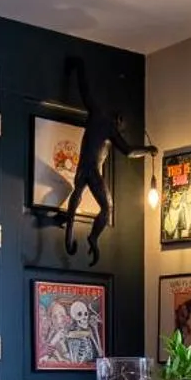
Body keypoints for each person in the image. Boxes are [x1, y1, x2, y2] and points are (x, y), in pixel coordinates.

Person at [59, 57, 140, 266]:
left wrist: (79, 66)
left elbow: (85, 90)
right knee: (107, 207)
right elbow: (129, 151)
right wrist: (149, 150)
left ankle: (70, 238)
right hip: (93, 170)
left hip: (82, 169)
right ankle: (92, 237)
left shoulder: (96, 114)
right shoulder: (109, 127)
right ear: (118, 120)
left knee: (76, 198)